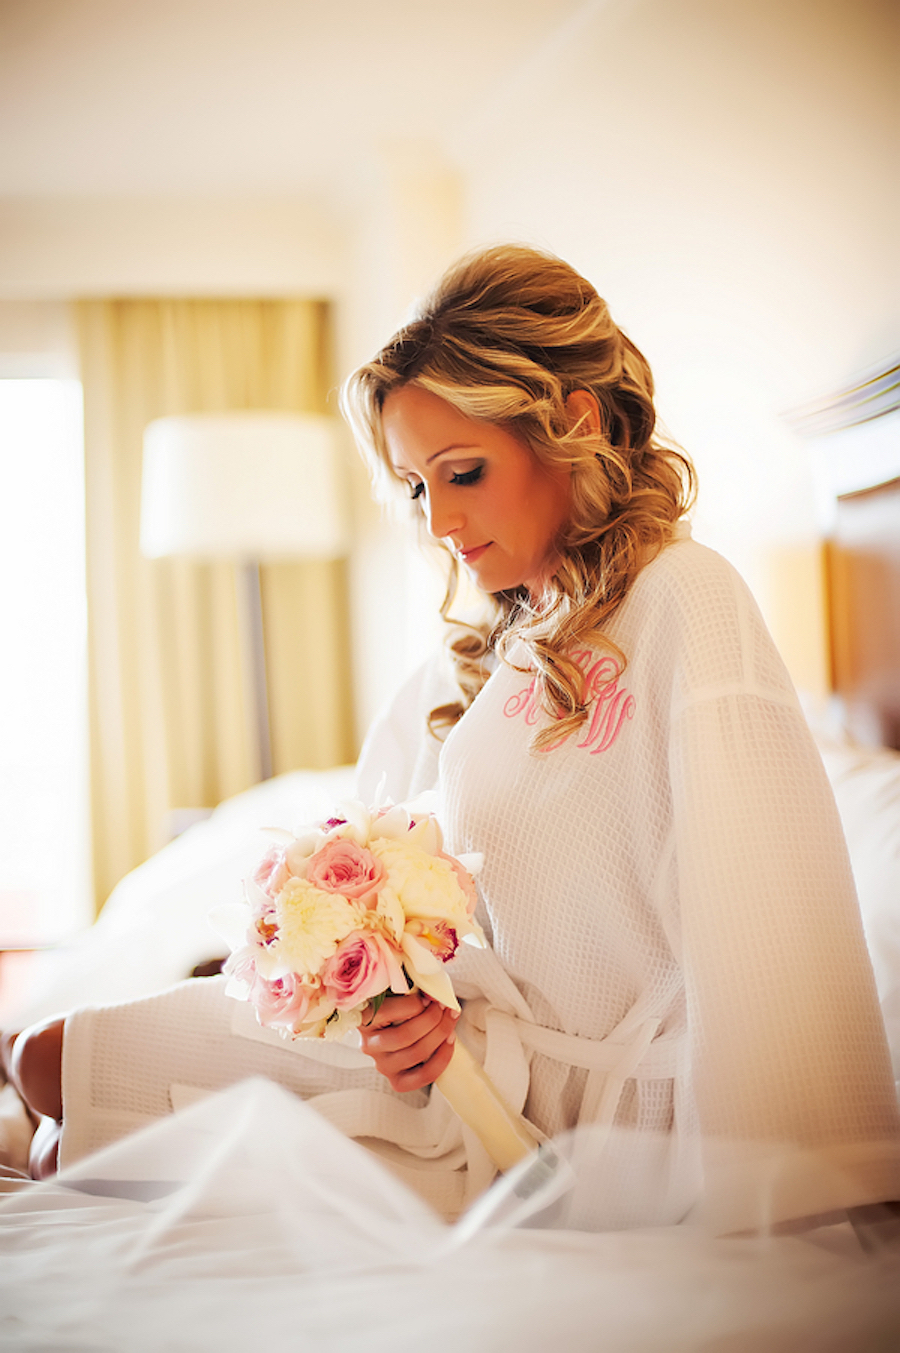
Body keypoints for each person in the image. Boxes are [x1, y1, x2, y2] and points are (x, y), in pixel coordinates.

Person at [6, 245, 900, 1233]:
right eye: (416, 489)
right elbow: (417, 875)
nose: (439, 522)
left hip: (560, 1119)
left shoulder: (686, 600)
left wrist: (793, 1192)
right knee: (39, 1069)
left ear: (575, 423)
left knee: (59, 1122)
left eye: (461, 472)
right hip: (442, 1051)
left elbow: (766, 920)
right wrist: (402, 993)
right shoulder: (497, 645)